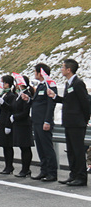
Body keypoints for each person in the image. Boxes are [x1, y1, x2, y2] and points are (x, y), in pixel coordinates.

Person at [47, 58, 90, 186]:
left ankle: (81, 177)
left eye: (63, 67)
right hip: (69, 122)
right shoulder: (68, 84)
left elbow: (85, 103)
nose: (61, 69)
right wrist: (55, 97)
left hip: (77, 123)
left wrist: (85, 119)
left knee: (77, 150)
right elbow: (68, 101)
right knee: (71, 150)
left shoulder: (78, 83)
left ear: (69, 69)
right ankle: (73, 174)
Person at [26, 63, 58, 182]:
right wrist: (29, 99)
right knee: (40, 148)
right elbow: (37, 102)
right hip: (37, 121)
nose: (34, 74)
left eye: (35, 71)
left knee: (47, 147)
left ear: (41, 73)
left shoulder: (50, 85)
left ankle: (52, 172)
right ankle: (44, 170)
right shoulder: (40, 86)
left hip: (44, 121)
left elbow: (51, 104)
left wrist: (47, 121)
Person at [12, 75, 34, 177]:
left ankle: (26, 169)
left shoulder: (26, 94)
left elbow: (25, 112)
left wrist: (15, 117)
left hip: (24, 124)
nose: (16, 85)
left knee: (25, 147)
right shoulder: (19, 94)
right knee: (22, 147)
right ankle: (24, 169)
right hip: (19, 124)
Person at [0, 75, 17, 174]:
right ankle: (7, 165)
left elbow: (11, 109)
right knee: (4, 145)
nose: (2, 84)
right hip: (1, 120)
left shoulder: (11, 95)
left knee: (8, 145)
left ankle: (9, 166)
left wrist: (3, 103)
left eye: (4, 83)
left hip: (7, 122)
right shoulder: (3, 94)